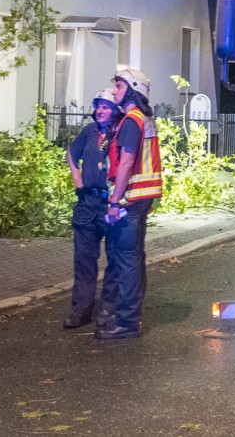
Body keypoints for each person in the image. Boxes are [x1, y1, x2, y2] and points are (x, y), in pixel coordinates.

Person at [97, 68, 163, 340]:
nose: (114, 91)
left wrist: (114, 202)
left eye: (120, 87)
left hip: (130, 198)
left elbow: (126, 162)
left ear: (134, 90)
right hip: (142, 198)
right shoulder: (143, 119)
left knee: (126, 261)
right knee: (134, 259)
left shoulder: (131, 121)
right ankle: (128, 318)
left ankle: (125, 322)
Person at [64, 88, 121, 330]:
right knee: (84, 261)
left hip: (110, 205)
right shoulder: (88, 132)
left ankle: (108, 309)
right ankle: (81, 310)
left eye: (106, 106)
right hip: (87, 204)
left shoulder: (119, 133)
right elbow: (71, 153)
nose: (100, 110)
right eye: (98, 105)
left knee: (115, 260)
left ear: (114, 110)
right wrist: (75, 175)